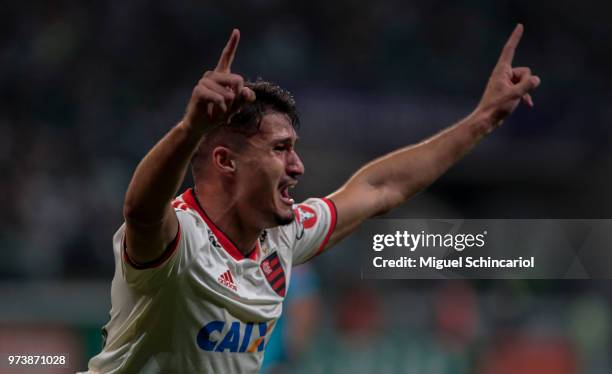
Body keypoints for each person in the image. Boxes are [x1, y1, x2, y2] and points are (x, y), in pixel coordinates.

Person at [84, 24, 540, 373]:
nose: (298, 167)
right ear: (226, 162)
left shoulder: (283, 237)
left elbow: (381, 187)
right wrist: (189, 131)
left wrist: (483, 119)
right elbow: (141, 212)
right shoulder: (180, 241)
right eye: (281, 149)